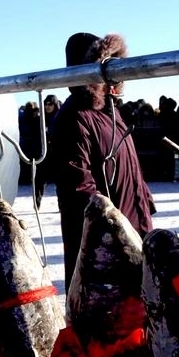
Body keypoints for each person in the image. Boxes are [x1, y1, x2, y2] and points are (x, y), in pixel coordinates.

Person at [48, 32, 156, 292]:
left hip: (133, 222)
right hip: (103, 243)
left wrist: (144, 202)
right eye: (107, 64)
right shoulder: (74, 117)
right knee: (109, 308)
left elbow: (129, 166)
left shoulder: (111, 111)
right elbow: (78, 187)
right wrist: (112, 228)